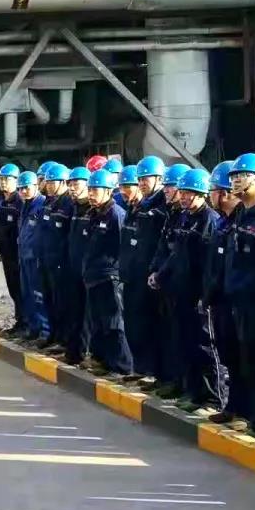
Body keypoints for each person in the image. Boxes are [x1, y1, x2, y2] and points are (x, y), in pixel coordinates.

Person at [149, 169, 219, 410]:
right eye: (183, 192)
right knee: (182, 341)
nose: (184, 197)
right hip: (179, 291)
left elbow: (209, 264)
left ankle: (208, 397)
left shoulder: (209, 220)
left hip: (197, 294)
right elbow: (175, 254)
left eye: (190, 193)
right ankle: (188, 388)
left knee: (203, 347)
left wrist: (205, 295)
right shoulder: (184, 217)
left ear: (202, 193)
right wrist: (160, 275)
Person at [224, 154, 255, 440]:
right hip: (242, 303)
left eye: (243, 175)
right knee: (249, 363)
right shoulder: (241, 213)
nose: (236, 181)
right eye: (234, 176)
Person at [120, 155, 168, 387]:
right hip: (133, 272)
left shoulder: (161, 208)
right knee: (134, 321)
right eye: (139, 179)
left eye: (145, 178)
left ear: (159, 178)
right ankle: (140, 366)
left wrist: (155, 271)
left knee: (150, 323)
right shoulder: (141, 205)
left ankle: (152, 369)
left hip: (148, 275)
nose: (141, 183)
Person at [82, 169, 134, 378]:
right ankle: (103, 360)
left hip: (109, 277)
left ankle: (120, 365)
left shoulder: (116, 215)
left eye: (95, 190)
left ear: (108, 191)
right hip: (94, 277)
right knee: (98, 322)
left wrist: (117, 274)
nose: (91, 194)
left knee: (114, 324)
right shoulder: (93, 214)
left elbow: (122, 248)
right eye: (90, 190)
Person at [204, 161, 244, 425]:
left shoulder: (244, 221)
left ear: (226, 193)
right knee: (229, 355)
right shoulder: (223, 222)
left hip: (238, 302)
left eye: (214, 190)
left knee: (244, 359)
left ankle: (248, 413)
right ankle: (234, 407)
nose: (210, 195)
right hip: (220, 299)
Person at [38, 162, 75, 352]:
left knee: (63, 304)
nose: (49, 186)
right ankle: (54, 335)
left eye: (53, 182)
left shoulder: (68, 204)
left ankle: (64, 340)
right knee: (50, 300)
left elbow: (69, 237)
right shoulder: (48, 202)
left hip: (62, 263)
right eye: (48, 182)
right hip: (47, 260)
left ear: (63, 183)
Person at [62, 166, 92, 365]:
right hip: (73, 268)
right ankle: (74, 351)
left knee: (88, 315)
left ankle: (84, 351)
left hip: (88, 271)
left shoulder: (93, 210)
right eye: (70, 184)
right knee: (74, 310)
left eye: (76, 184)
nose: (72, 188)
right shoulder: (74, 208)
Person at [17, 171, 48, 343]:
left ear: (36, 186)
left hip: (35, 258)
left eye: (26, 188)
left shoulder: (41, 205)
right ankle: (33, 328)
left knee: (39, 296)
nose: (23, 192)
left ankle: (45, 331)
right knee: (27, 294)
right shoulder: (25, 205)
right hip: (24, 256)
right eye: (20, 189)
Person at [0, 163, 24, 336]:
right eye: (1, 179)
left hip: (17, 253)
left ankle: (24, 323)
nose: (3, 182)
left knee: (21, 290)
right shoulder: (2, 201)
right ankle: (19, 321)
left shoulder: (19, 202)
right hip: (6, 252)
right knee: (13, 288)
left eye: (7, 179)